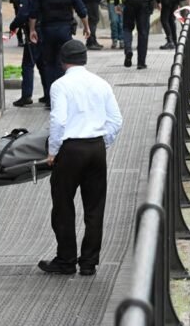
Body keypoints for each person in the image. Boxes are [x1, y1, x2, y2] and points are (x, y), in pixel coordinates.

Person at [38, 40, 123, 276]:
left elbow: (59, 121)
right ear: (85, 58)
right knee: (95, 207)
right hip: (96, 148)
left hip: (70, 149)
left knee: (63, 205)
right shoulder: (101, 83)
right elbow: (116, 120)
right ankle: (89, 262)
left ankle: (66, 260)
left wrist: (53, 152)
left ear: (63, 61)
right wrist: (102, 143)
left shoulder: (60, 85)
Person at [29, 0, 90, 108]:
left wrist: (32, 30)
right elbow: (81, 10)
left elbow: (33, 13)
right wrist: (87, 28)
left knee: (49, 64)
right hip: (64, 30)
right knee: (64, 64)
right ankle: (63, 98)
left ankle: (51, 100)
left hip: (47, 30)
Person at [9, 0, 47, 107]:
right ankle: (48, 94)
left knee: (27, 65)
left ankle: (26, 96)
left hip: (33, 33)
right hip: (44, 31)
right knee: (43, 65)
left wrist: (13, 26)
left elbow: (23, 14)